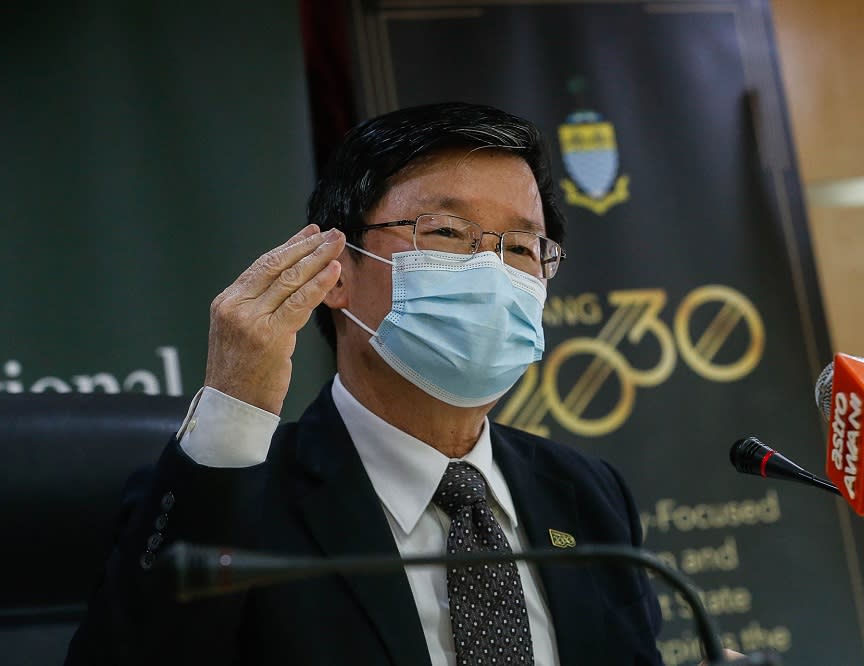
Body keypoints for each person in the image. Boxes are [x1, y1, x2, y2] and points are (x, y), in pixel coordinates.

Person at [65, 102, 672, 665]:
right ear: (334, 270)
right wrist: (232, 405)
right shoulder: (236, 497)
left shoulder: (587, 492)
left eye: (520, 246)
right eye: (444, 233)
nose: (489, 270)